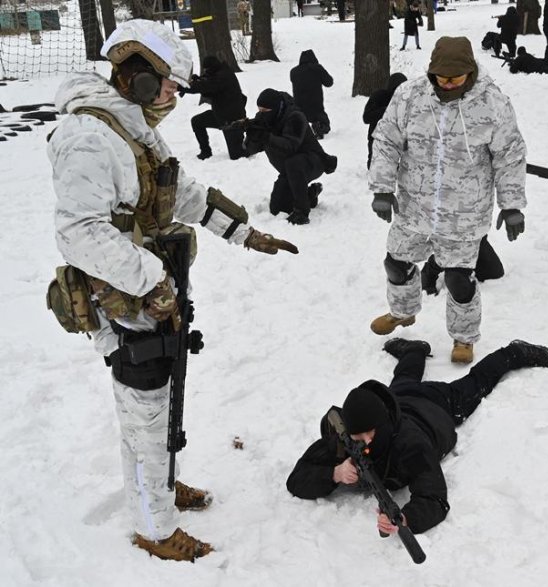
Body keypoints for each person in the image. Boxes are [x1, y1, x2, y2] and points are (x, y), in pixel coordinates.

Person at [46, 19, 299, 562]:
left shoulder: (131, 125)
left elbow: (175, 190)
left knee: (157, 410)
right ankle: (155, 527)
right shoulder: (88, 137)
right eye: (165, 84)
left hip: (151, 298)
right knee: (144, 414)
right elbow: (79, 233)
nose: (173, 96)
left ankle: (158, 483)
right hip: (122, 303)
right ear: (134, 74)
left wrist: (244, 232)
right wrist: (153, 281)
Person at [286, 338, 548, 534]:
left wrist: (406, 519)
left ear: (381, 424)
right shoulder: (342, 437)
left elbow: (434, 497)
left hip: (436, 406)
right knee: (404, 378)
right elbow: (296, 481)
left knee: (476, 383)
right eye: (358, 437)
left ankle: (513, 352)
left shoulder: (410, 445)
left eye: (370, 434)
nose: (365, 443)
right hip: (399, 398)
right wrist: (334, 473)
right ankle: (415, 349)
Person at [368, 36, 527, 364]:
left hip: (464, 213)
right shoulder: (410, 96)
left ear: (470, 72)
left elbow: (509, 155)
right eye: (441, 77)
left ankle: (464, 338)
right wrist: (382, 188)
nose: (448, 83)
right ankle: (402, 312)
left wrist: (511, 205)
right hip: (415, 205)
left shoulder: (492, 103)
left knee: (458, 280)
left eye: (455, 78)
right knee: (396, 264)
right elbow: (385, 140)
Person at [244, 88, 338, 225]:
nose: (261, 114)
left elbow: (290, 146)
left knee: (294, 163)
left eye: (265, 111)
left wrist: (266, 137)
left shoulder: (295, 117)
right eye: (260, 110)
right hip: (289, 170)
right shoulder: (263, 119)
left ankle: (302, 212)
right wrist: (251, 135)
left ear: (276, 108)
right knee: (278, 209)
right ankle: (310, 194)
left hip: (313, 162)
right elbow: (250, 149)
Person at [180, 55, 248, 160]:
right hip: (221, 115)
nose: (206, 72)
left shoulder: (223, 76)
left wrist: (182, 87)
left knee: (237, 155)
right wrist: (198, 80)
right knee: (197, 121)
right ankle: (205, 152)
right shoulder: (219, 72)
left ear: (213, 67)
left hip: (233, 121)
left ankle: (259, 141)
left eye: (207, 69)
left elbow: (207, 85)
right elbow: (209, 86)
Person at [362, 72, 407, 169]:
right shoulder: (379, 96)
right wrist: (387, 110)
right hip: (377, 139)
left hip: (398, 141)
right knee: (376, 168)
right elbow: (367, 117)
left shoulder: (406, 100)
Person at [289, 49, 334, 139]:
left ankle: (299, 130)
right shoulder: (317, 68)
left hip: (299, 104)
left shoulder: (293, 71)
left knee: (300, 117)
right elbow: (329, 82)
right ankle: (320, 127)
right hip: (315, 104)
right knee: (323, 121)